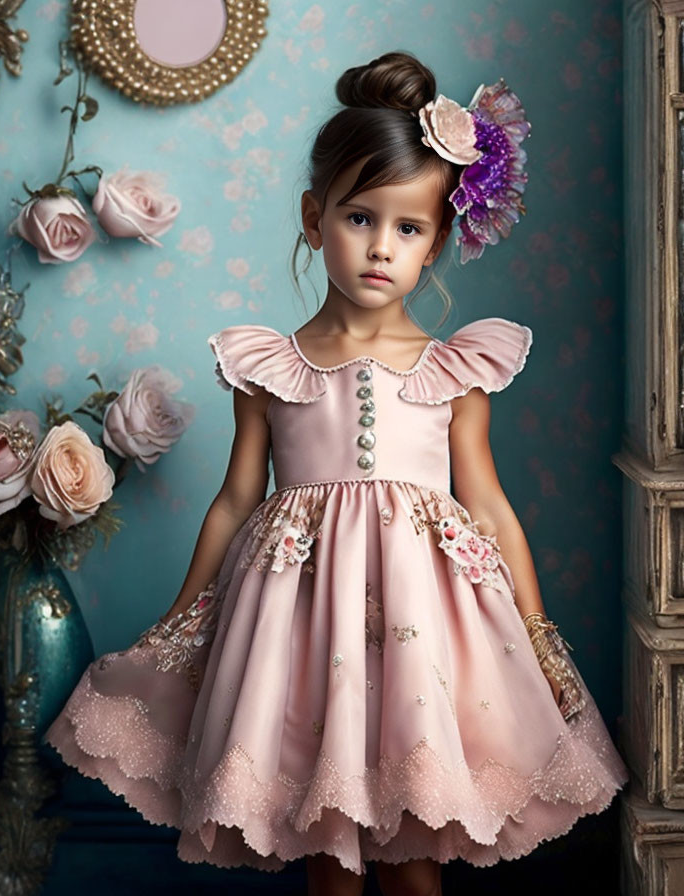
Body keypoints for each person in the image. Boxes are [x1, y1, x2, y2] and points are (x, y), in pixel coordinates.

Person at [44, 51, 629, 896]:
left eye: (410, 228)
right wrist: (181, 617)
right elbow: (238, 498)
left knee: (416, 850)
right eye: (360, 218)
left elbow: (488, 505)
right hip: (300, 624)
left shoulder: (455, 368)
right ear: (315, 218)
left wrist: (538, 635)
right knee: (328, 854)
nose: (381, 248)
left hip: (425, 630)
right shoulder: (268, 365)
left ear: (436, 243)